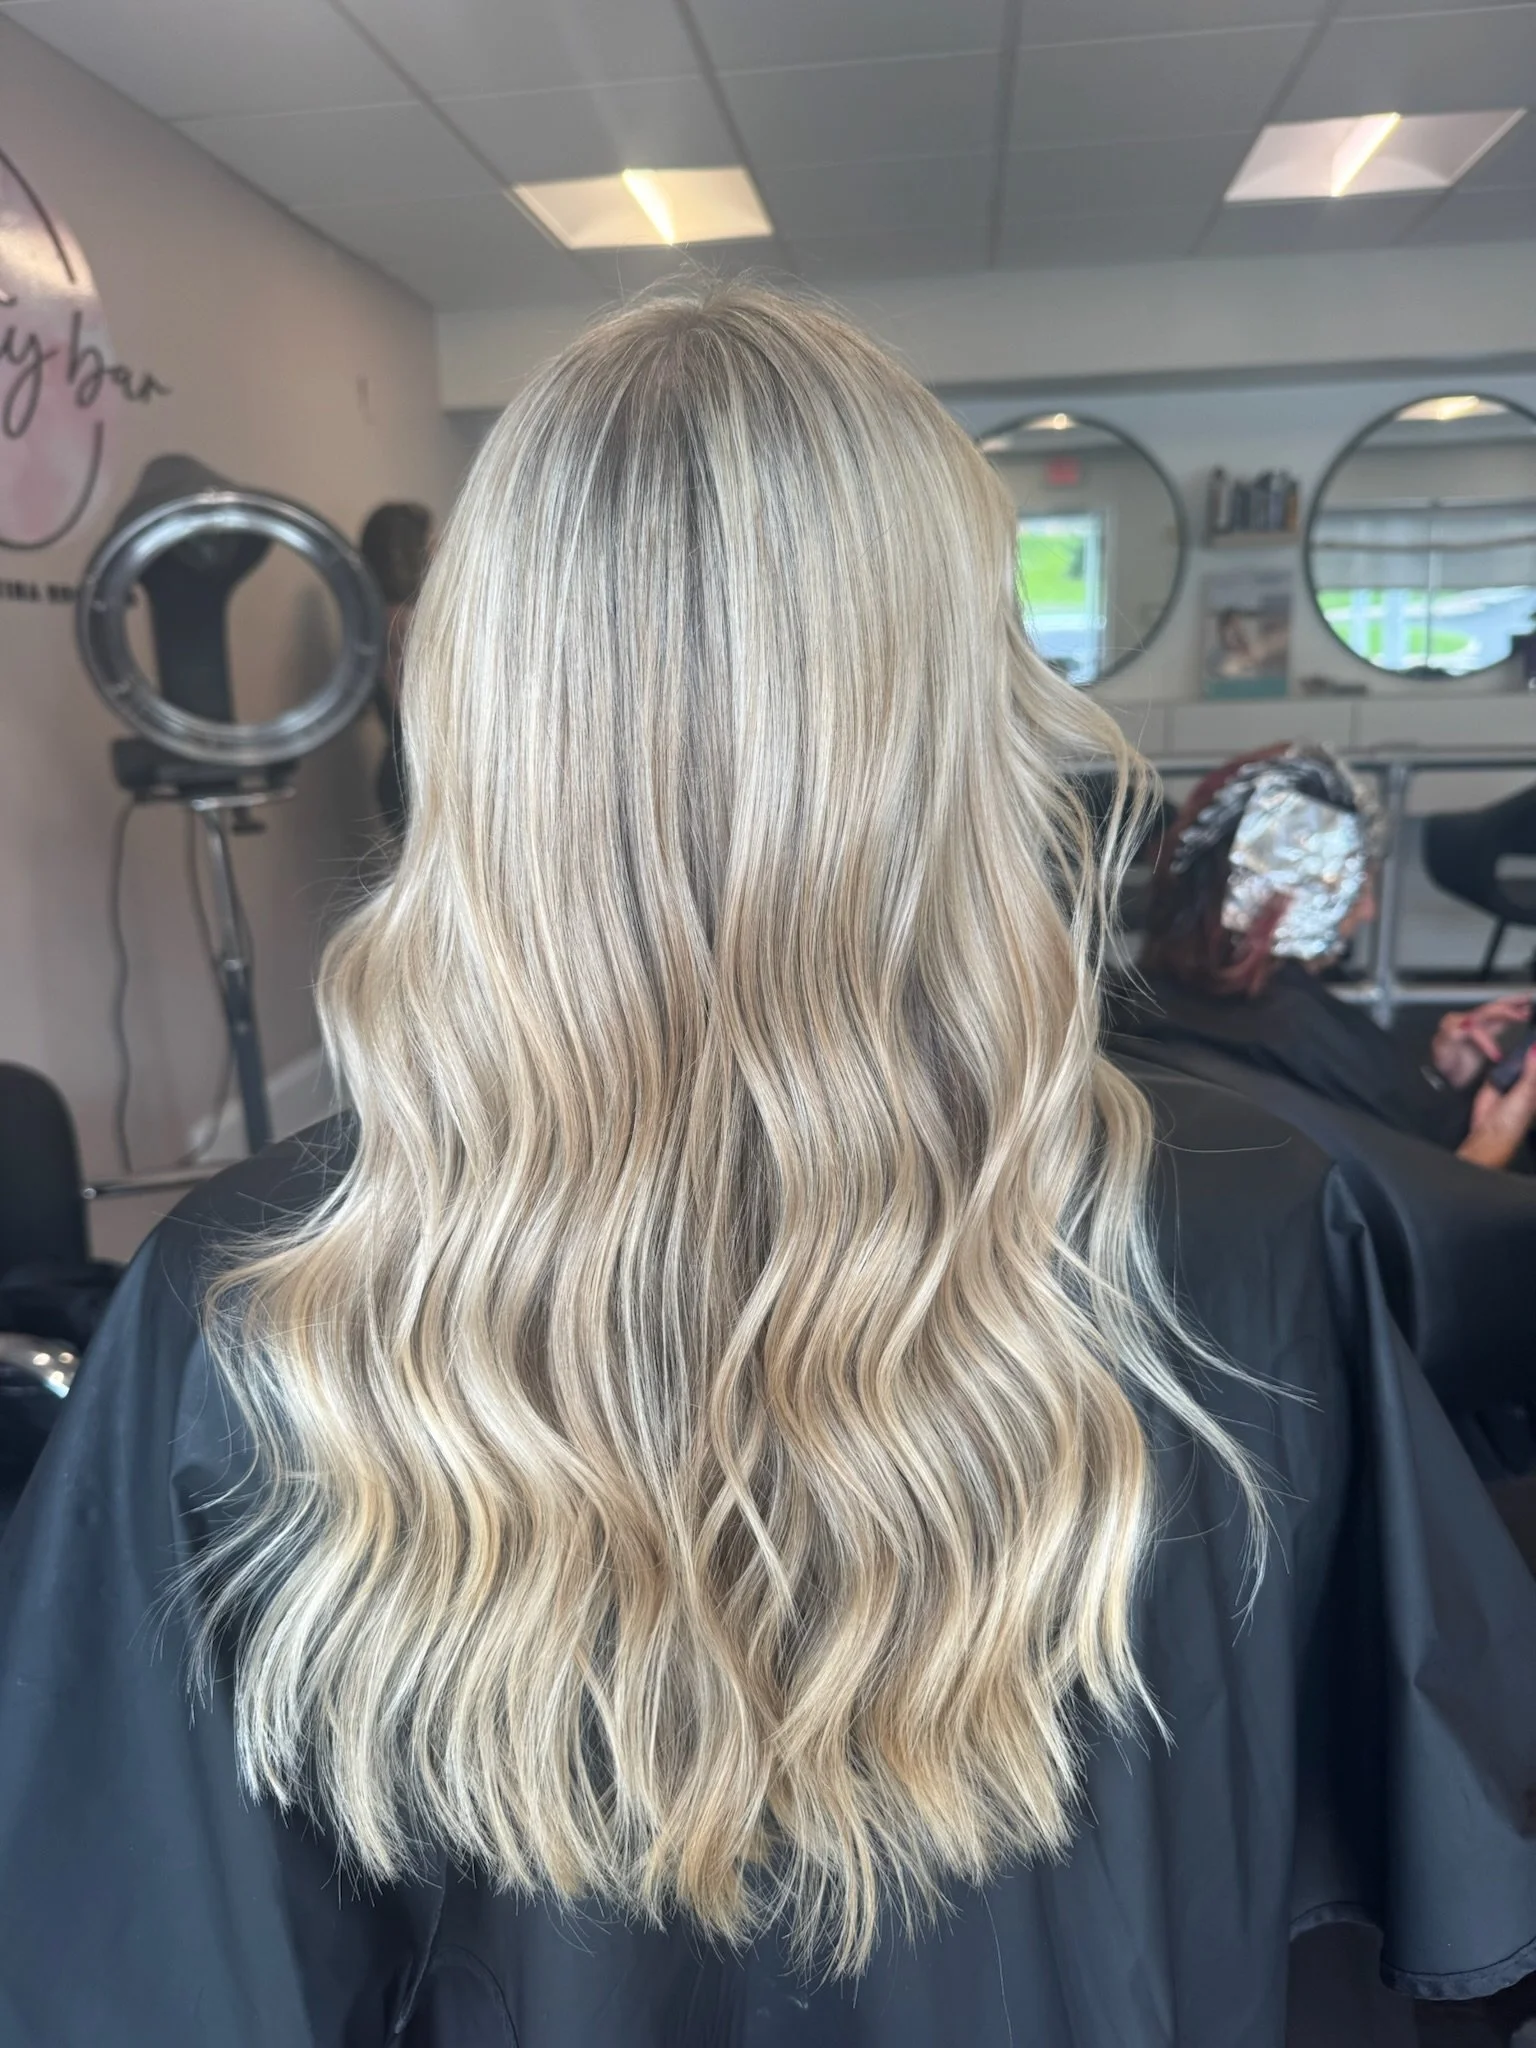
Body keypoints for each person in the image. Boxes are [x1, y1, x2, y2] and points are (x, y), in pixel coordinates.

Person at [4, 289, 1536, 2048]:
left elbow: (132, 1969)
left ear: (484, 703)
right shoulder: (1251, 1227)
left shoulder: (250, 1304)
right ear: (956, 693)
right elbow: (1403, 1890)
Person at [1127, 743, 1536, 1170]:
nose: (1370, 912)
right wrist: (1496, 1140)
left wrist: (1439, 1076)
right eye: (1356, 890)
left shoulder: (1152, 1004)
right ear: (1294, 895)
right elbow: (1413, 1222)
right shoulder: (1297, 1034)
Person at [358, 499, 434, 837]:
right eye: (426, 543)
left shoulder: (368, 620)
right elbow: (416, 704)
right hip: (420, 774)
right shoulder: (406, 622)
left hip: (402, 769)